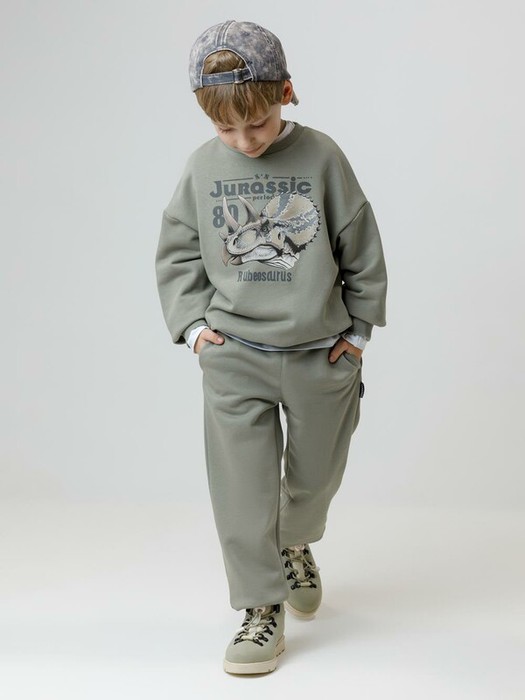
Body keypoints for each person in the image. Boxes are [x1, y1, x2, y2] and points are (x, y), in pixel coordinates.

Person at [155, 19, 387, 675]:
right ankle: (260, 607)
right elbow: (177, 253)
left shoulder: (322, 157)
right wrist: (194, 329)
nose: (243, 140)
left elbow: (360, 246)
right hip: (235, 354)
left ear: (285, 92)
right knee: (241, 492)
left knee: (315, 480)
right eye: (225, 128)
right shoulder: (202, 168)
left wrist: (358, 331)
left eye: (255, 123)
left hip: (320, 355)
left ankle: (294, 542)